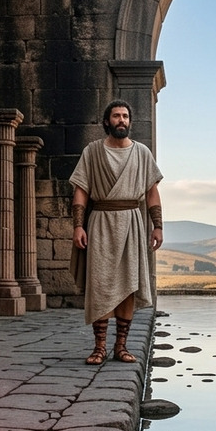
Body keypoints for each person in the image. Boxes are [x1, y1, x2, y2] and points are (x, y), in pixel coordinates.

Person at [69, 99, 164, 365]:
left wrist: (157, 225)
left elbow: (152, 192)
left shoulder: (142, 153)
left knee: (128, 286)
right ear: (107, 121)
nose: (121, 120)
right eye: (116, 116)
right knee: (99, 284)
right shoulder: (92, 152)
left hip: (133, 222)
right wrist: (78, 225)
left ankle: (120, 346)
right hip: (100, 221)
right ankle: (99, 347)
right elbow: (81, 191)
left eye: (125, 116)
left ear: (130, 121)